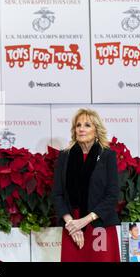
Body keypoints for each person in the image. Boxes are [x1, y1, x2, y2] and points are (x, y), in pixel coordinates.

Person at [52, 108, 120, 262]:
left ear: (96, 130)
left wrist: (84, 221)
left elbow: (112, 195)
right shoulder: (64, 156)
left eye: (87, 125)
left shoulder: (107, 155)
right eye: (78, 125)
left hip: (98, 224)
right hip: (72, 226)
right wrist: (71, 224)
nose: (81, 128)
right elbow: (57, 194)